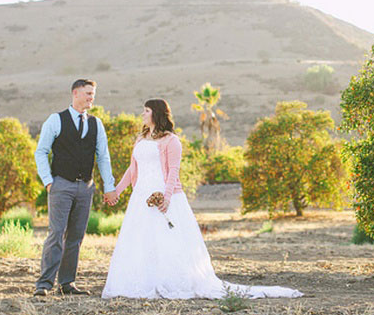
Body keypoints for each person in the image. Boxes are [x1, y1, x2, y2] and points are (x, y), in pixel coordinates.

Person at [102, 99, 302, 299]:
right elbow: (132, 169)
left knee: (168, 242)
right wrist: (116, 191)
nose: (143, 114)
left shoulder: (171, 141)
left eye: (146, 111)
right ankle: (140, 283)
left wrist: (167, 197)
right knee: (140, 241)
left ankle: (169, 282)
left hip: (164, 195)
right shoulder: (141, 138)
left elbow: (173, 171)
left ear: (157, 113)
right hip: (141, 197)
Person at [33, 79, 117, 296]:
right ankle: (44, 284)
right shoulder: (56, 120)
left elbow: (103, 157)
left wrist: (109, 186)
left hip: (85, 187)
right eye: (88, 93)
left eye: (93, 94)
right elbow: (41, 151)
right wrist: (48, 181)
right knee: (56, 234)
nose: (91, 97)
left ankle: (67, 283)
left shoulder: (96, 124)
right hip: (61, 184)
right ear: (75, 93)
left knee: (76, 237)